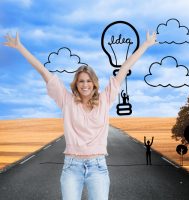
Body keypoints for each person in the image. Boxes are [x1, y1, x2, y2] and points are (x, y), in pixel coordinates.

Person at [3, 31, 157, 200]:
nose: (85, 85)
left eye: (89, 81)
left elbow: (125, 68)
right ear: (76, 83)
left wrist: (145, 45)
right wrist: (19, 47)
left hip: (98, 166)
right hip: (71, 166)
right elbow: (44, 73)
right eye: (81, 81)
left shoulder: (105, 99)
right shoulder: (66, 100)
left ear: (94, 83)